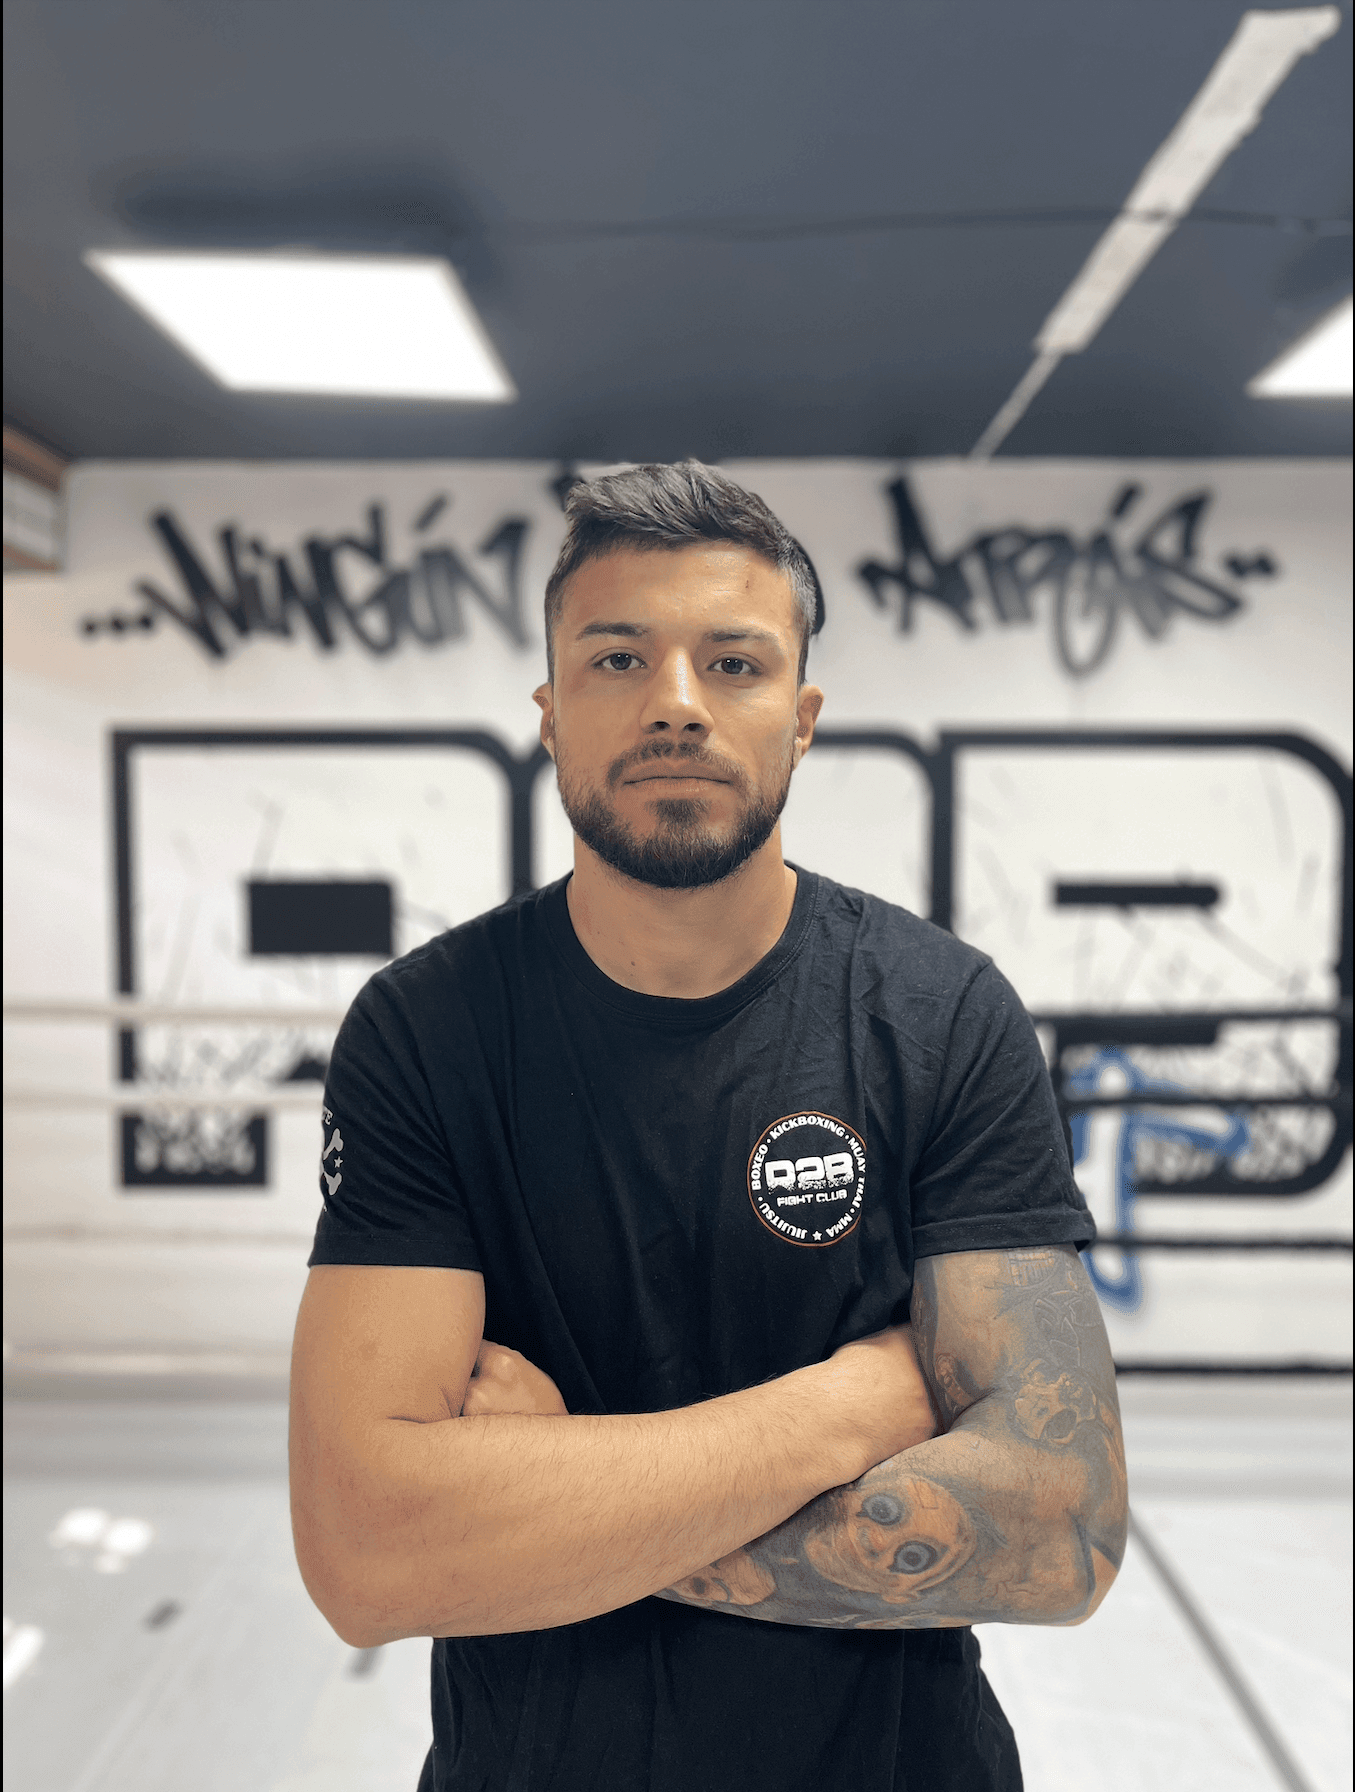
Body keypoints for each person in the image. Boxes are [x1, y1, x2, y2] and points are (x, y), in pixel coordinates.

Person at [289, 461, 1127, 1792]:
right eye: (617, 658)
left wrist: (545, 1507)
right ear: (551, 713)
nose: (676, 703)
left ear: (801, 719)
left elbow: (1059, 1534)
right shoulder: (427, 1031)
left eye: (732, 664)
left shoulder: (940, 1015)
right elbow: (366, 1557)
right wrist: (859, 1402)